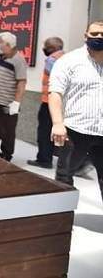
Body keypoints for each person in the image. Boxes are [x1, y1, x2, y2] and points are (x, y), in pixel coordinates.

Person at [51, 21, 103, 202]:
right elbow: (55, 93)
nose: (99, 37)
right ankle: (60, 214)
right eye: (94, 34)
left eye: (102, 34)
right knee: (64, 176)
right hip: (75, 131)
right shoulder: (69, 61)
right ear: (85, 35)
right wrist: (57, 123)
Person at [0, 31, 27, 162]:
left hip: (6, 102)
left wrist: (16, 103)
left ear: (8, 44)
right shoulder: (0, 56)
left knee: (6, 130)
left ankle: (6, 155)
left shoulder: (19, 60)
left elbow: (21, 82)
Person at [27, 37, 65, 169]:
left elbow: (55, 77)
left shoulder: (51, 59)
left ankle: (44, 159)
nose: (44, 49)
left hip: (48, 101)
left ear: (52, 48)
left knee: (44, 131)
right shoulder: (66, 57)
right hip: (61, 101)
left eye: (46, 47)